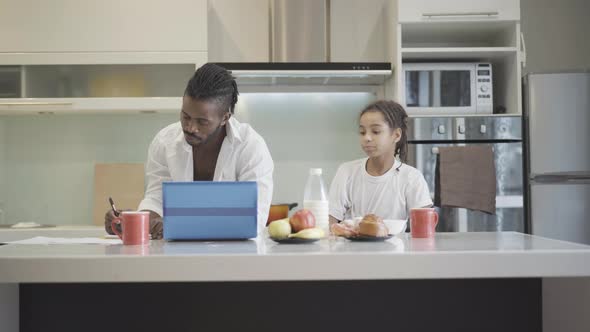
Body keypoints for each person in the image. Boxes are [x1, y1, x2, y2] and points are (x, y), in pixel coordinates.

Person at [105, 63, 274, 239]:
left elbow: (255, 220)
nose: (190, 127)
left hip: (235, 256)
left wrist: (181, 225)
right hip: (178, 257)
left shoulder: (251, 147)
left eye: (202, 121)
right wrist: (132, 221)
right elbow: (156, 200)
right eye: (185, 116)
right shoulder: (164, 142)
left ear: (225, 117)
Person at [328, 100, 432, 234]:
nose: (367, 138)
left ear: (396, 135)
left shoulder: (412, 177)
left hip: (397, 251)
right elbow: (330, 221)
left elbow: (424, 227)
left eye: (376, 131)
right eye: (362, 132)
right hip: (352, 251)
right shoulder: (346, 171)